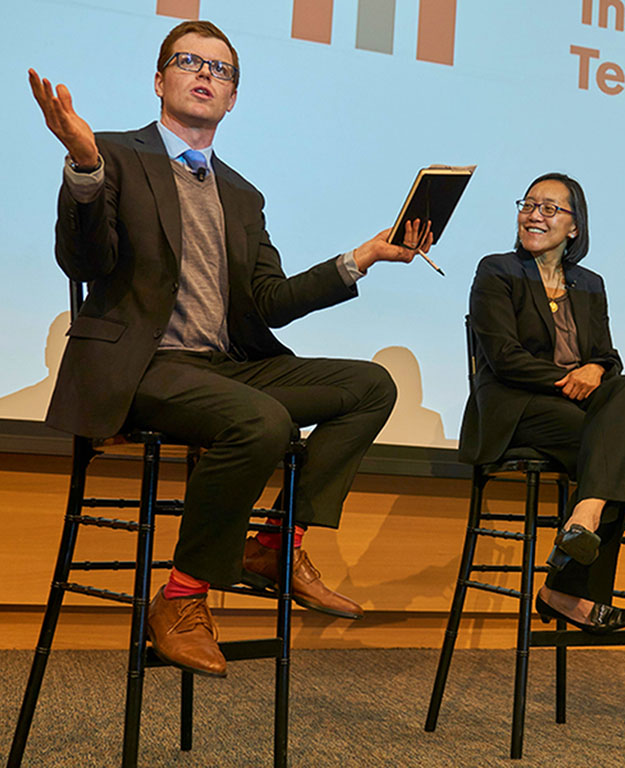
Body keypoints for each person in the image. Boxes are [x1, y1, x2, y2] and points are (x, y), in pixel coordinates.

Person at [28, 20, 433, 678]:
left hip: (221, 369)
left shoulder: (241, 194)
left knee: (371, 386)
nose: (205, 74)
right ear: (161, 81)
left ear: (233, 97)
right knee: (262, 421)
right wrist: (83, 167)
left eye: (220, 68)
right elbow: (83, 257)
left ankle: (276, 542)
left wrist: (363, 258)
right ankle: (181, 599)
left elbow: (269, 301)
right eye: (189, 61)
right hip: (143, 370)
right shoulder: (112, 155)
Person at [459, 172, 625, 633]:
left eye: (549, 208)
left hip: (570, 411)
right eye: (528, 205)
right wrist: (570, 378)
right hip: (514, 407)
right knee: (620, 455)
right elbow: (503, 358)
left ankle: (582, 519)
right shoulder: (497, 271)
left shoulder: (589, 283)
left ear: (574, 227)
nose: (534, 215)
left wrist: (597, 371)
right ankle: (570, 590)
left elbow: (607, 357)